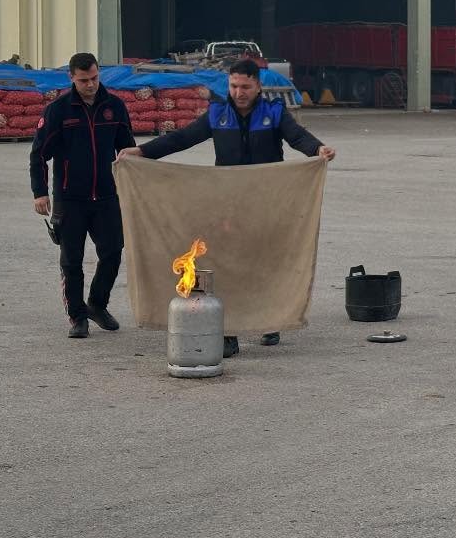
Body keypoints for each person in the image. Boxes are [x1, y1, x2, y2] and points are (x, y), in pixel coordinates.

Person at [121, 58, 335, 356]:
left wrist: (317, 149)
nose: (239, 92)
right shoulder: (217, 113)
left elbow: (297, 136)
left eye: (246, 86)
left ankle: (268, 320)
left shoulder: (274, 112)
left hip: (266, 202)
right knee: (226, 263)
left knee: (264, 262)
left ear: (258, 85)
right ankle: (228, 331)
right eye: (234, 86)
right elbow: (182, 138)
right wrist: (142, 151)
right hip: (227, 204)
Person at [29, 52, 137, 339]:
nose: (90, 85)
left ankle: (97, 305)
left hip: (106, 197)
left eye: (94, 78)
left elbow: (128, 151)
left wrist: (134, 187)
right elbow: (39, 155)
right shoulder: (59, 111)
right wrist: (40, 193)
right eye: (83, 80)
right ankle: (77, 316)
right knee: (71, 260)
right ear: (71, 78)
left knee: (113, 252)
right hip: (69, 198)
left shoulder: (114, 107)